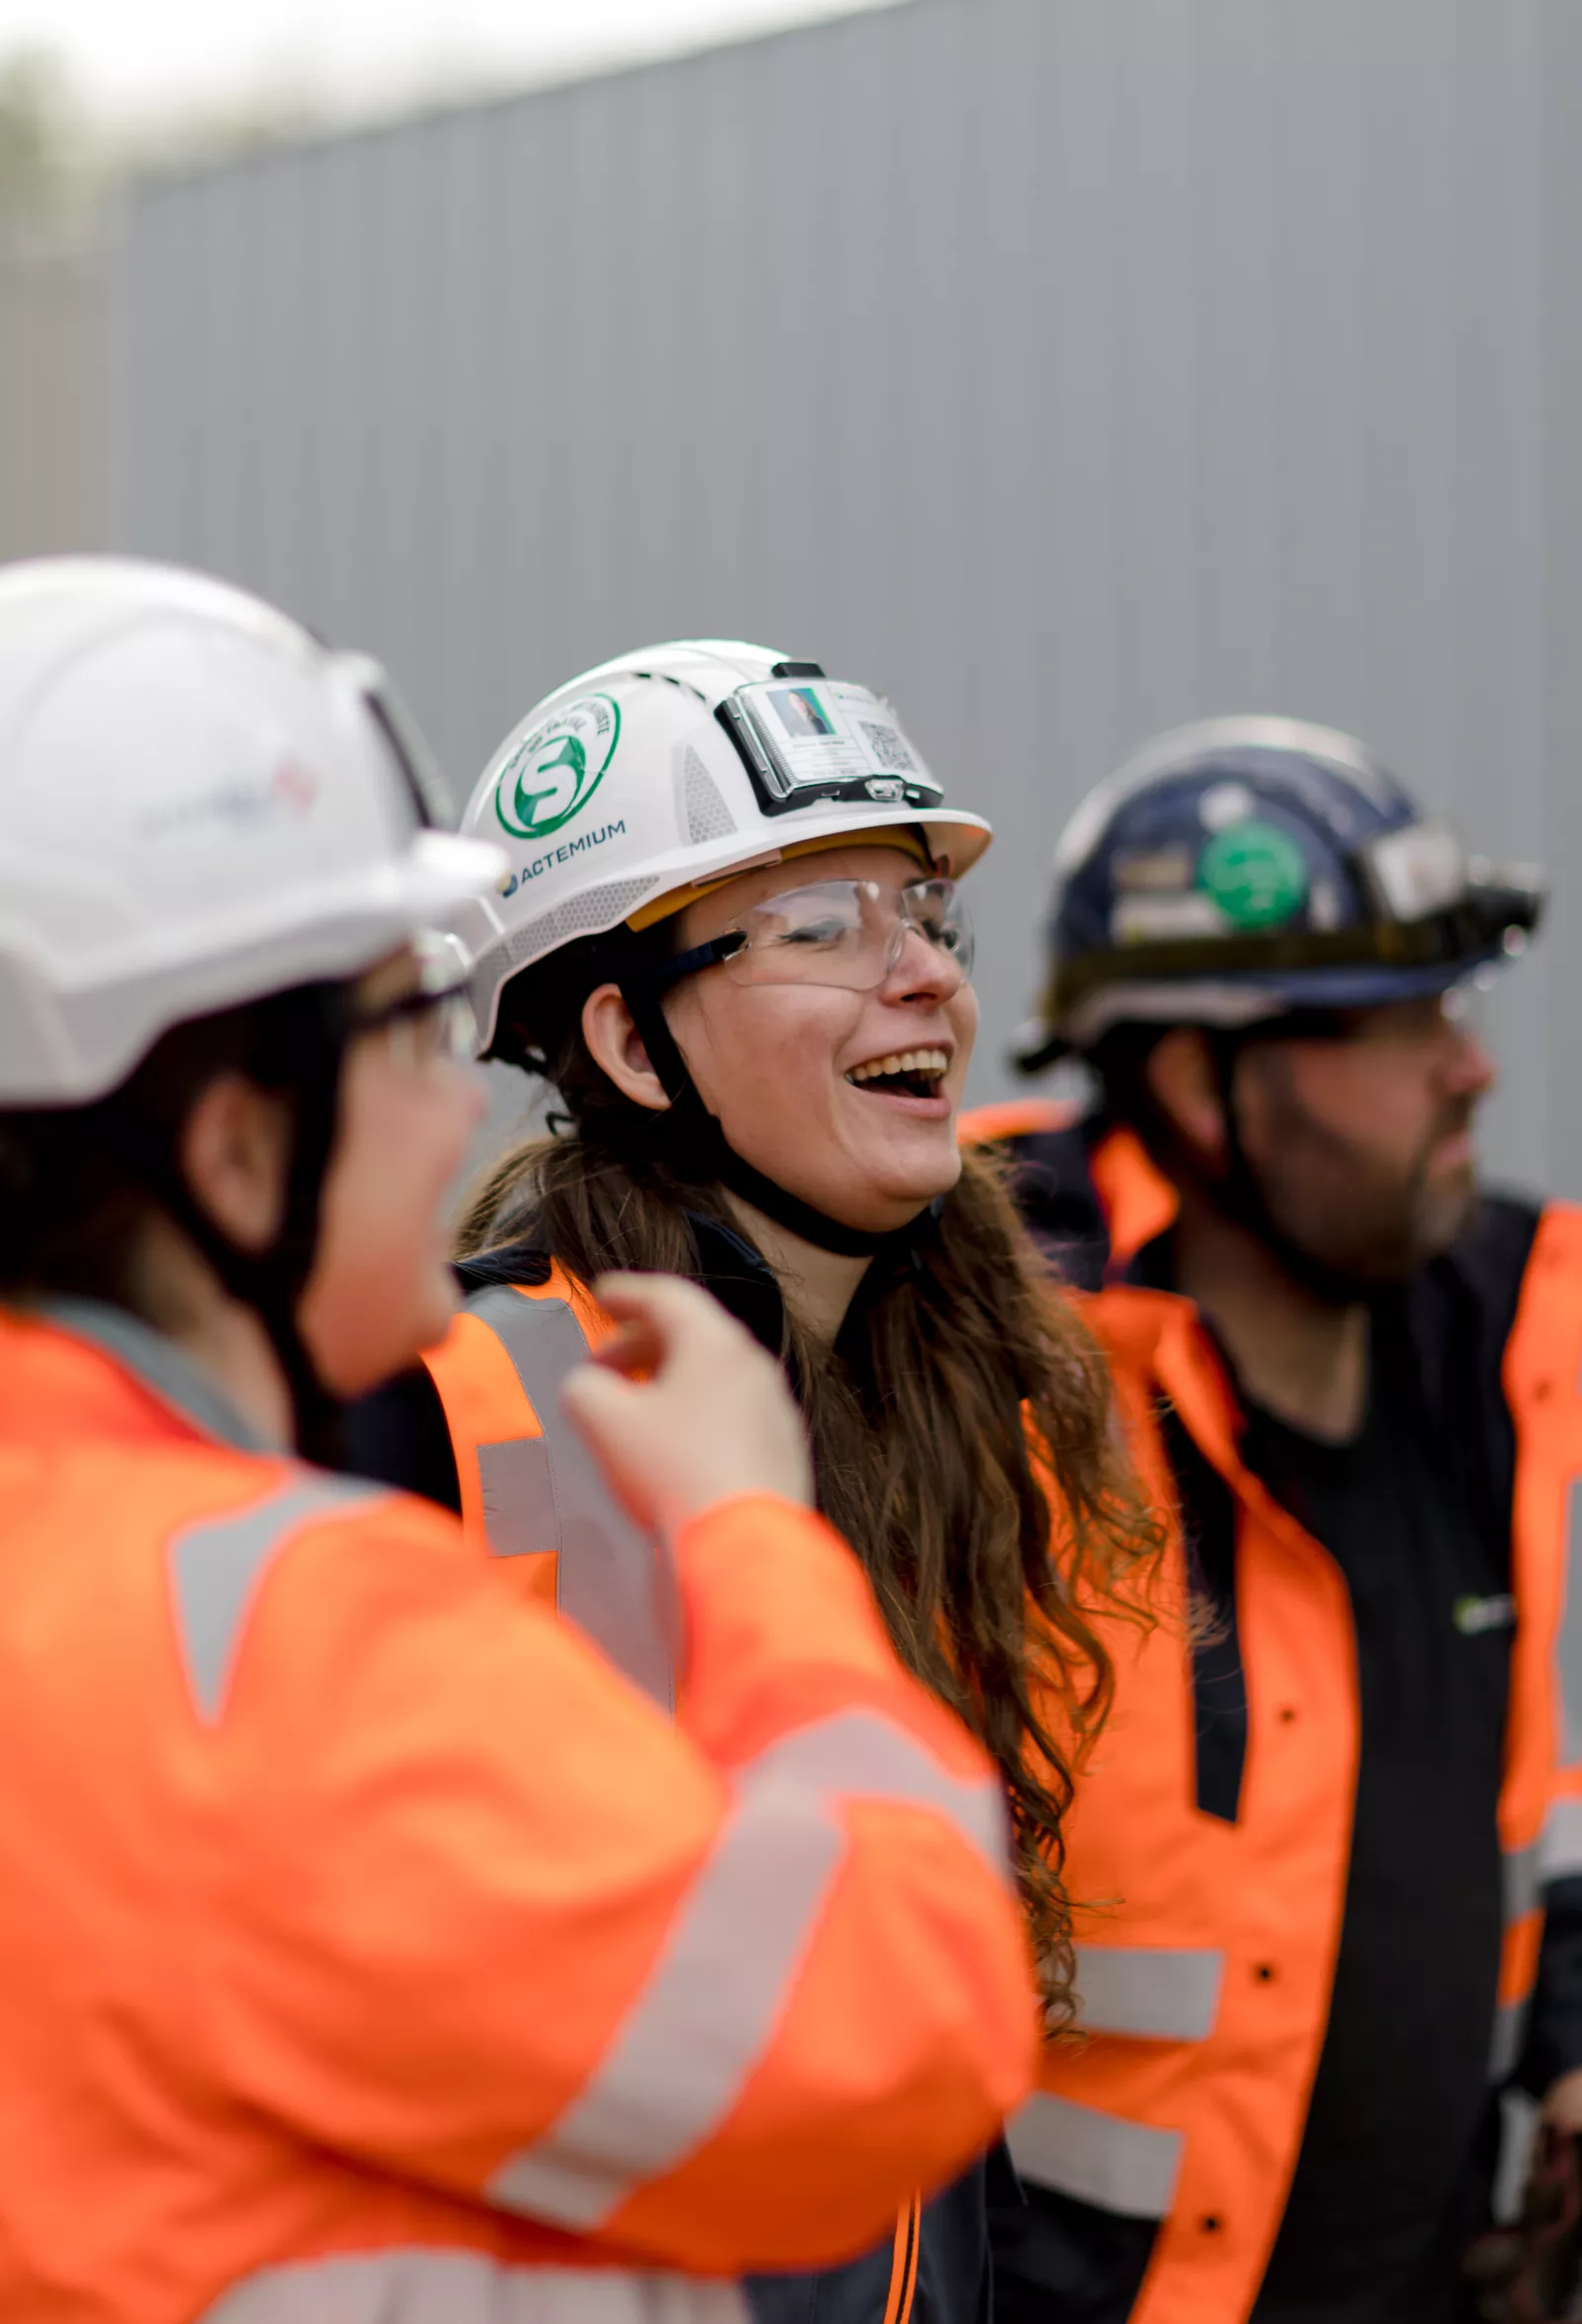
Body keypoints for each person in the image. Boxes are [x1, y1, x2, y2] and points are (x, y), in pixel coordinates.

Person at [0, 561, 1040, 2324]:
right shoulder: (272, 1621)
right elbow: (894, 2025)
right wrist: (751, 1542)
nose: (464, 1094)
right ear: (241, 1153)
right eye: (410, 1025)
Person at [343, 638, 1162, 2324]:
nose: (924, 974)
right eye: (822, 926)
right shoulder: (438, 1409)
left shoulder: (946, 1423)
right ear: (631, 1045)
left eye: (921, 916)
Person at [961, 715, 1582, 2324]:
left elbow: (1531, 1802)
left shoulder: (1508, 1338)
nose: (1474, 1065)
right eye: (1402, 1020)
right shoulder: (972, 1340)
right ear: (1201, 1081)